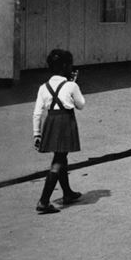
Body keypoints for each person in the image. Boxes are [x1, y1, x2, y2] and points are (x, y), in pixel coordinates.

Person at [32, 48, 85, 214]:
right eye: (70, 65)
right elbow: (81, 104)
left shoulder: (43, 87)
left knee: (61, 157)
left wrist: (37, 133)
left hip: (51, 122)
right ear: (65, 66)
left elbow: (37, 113)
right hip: (65, 122)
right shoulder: (71, 85)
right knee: (59, 159)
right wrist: (75, 84)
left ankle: (67, 192)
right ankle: (44, 200)